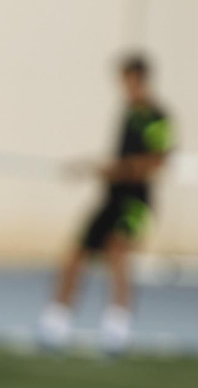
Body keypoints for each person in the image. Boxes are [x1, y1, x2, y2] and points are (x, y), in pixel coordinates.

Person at [38, 53, 173, 356]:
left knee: (118, 251)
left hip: (136, 200)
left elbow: (156, 161)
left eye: (127, 80)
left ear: (139, 79)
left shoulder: (157, 117)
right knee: (75, 254)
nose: (124, 87)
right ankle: (56, 323)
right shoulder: (127, 112)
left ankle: (117, 328)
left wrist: (114, 169)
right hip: (111, 197)